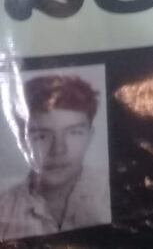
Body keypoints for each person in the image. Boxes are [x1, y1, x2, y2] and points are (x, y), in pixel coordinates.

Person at [0, 75, 110, 241]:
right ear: (21, 140)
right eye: (42, 136)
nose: (58, 150)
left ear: (89, 136)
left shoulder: (116, 193)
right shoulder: (4, 210)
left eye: (74, 133)